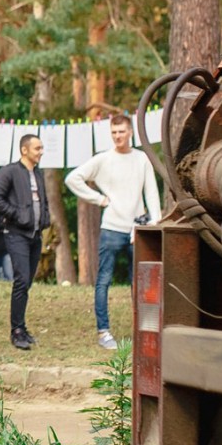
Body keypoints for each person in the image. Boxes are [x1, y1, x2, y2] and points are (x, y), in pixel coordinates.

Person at [65, 115, 163, 350]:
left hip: (137, 228)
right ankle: (104, 331)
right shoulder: (103, 159)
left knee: (141, 281)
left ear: (130, 132)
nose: (118, 136)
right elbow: (73, 178)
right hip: (111, 228)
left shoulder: (142, 159)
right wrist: (99, 199)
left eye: (122, 131)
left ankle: (145, 331)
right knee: (104, 280)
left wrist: (155, 221)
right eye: (114, 132)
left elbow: (151, 192)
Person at [0, 133, 50, 350]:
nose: (41, 152)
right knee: (21, 280)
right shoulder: (10, 171)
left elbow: (43, 201)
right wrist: (16, 214)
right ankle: (16, 331)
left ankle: (22, 326)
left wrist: (45, 218)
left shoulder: (38, 173)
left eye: (41, 148)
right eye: (37, 148)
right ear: (25, 150)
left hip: (36, 235)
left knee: (27, 283)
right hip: (16, 235)